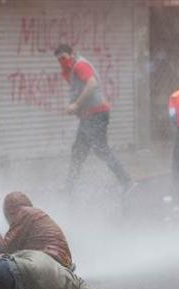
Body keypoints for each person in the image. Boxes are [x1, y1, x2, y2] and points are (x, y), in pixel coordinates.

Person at [54, 44, 134, 196]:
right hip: (87, 116)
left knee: (100, 149)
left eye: (63, 58)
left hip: (97, 114)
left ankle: (127, 181)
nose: (62, 62)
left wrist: (76, 104)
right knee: (78, 151)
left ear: (72, 54)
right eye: (59, 60)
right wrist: (76, 107)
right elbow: (81, 89)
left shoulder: (80, 66)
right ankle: (69, 188)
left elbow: (91, 84)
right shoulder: (70, 70)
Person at [0, 191, 74, 269]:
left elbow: (4, 248)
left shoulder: (24, 213)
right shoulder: (34, 215)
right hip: (61, 261)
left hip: (50, 260)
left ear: (9, 211)